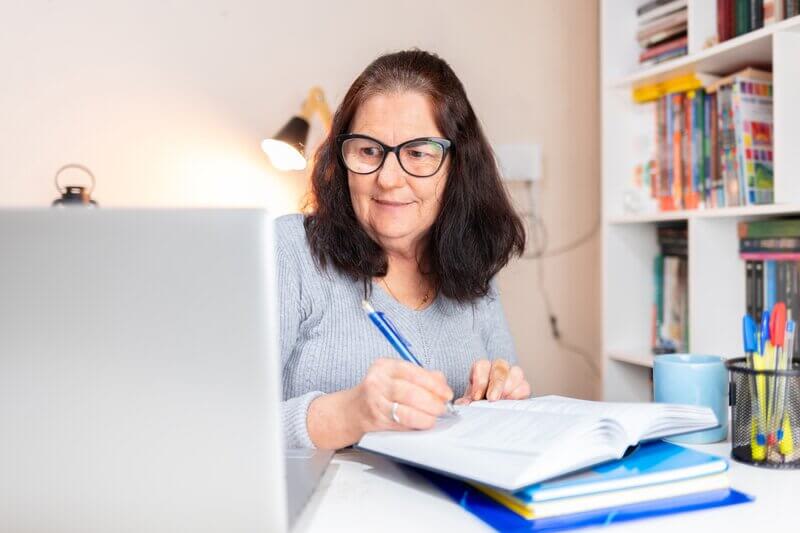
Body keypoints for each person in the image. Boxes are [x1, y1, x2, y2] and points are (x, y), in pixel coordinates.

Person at [278, 49, 530, 450]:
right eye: (368, 151)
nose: (388, 179)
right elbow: (224, 422)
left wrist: (502, 397)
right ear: (343, 158)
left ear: (457, 166)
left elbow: (504, 406)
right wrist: (350, 414)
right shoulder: (290, 252)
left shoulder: (473, 262)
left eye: (417, 153)